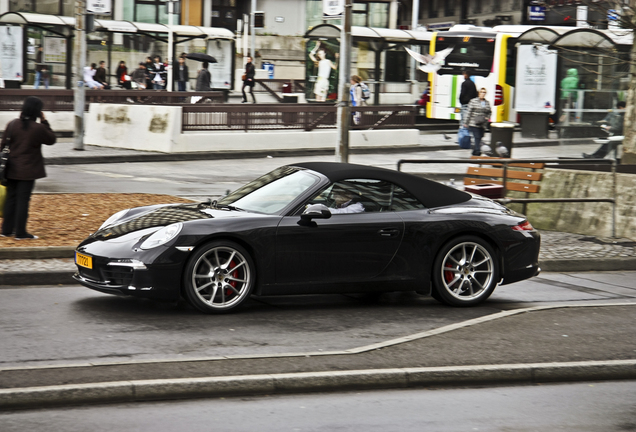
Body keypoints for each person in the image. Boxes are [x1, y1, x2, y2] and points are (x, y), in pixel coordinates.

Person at [1, 97, 56, 240]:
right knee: (22, 201)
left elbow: (3, 146)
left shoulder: (12, 124)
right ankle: (20, 233)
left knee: (11, 199)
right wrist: (44, 121)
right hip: (28, 171)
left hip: (10, 168)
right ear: (37, 111)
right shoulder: (38, 128)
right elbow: (51, 140)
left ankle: (6, 230)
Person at [463, 88, 492, 156]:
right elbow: (468, 112)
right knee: (477, 137)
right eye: (481, 92)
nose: (483, 93)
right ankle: (478, 151)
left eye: (484, 92)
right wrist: (466, 122)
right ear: (479, 93)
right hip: (474, 122)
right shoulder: (473, 101)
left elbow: (489, 112)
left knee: (480, 137)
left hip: (482, 123)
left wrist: (487, 118)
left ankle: (474, 152)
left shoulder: (487, 102)